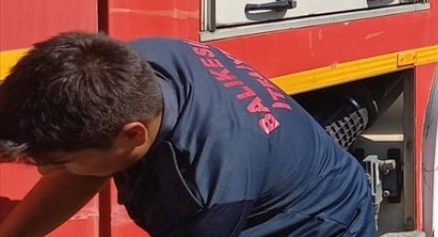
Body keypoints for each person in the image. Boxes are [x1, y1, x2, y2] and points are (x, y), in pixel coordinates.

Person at [0, 32, 375, 236]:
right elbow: (80, 169)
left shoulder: (201, 194)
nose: (46, 173)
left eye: (60, 161)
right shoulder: (127, 68)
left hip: (320, 224)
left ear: (133, 136)